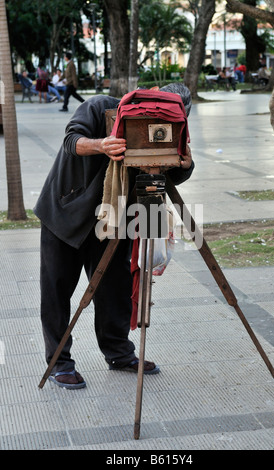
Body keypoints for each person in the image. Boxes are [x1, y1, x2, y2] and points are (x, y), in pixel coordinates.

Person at [33, 83, 194, 389]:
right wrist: (102, 145)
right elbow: (72, 140)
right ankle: (59, 362)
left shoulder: (170, 125)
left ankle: (119, 353)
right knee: (57, 291)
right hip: (65, 213)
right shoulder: (99, 106)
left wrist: (185, 164)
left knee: (114, 289)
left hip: (113, 219)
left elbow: (162, 175)